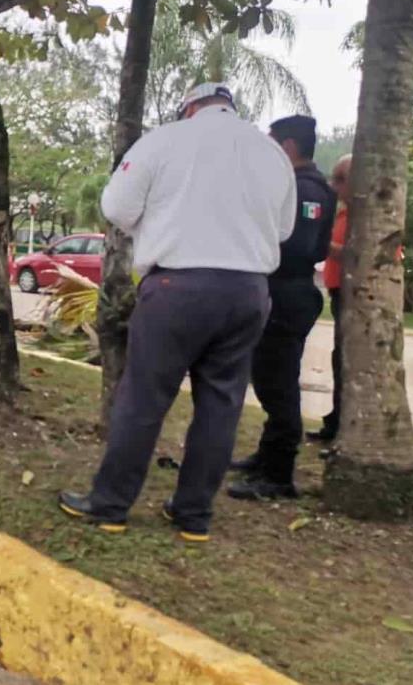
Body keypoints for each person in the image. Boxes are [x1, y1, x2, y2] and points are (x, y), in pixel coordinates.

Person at [58, 83, 295, 543]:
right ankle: (193, 516)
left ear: (190, 107)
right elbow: (282, 229)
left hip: (177, 286)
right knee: (221, 404)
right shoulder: (271, 152)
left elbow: (116, 207)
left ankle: (110, 505)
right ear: (229, 107)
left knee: (144, 398)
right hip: (248, 290)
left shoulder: (165, 139)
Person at [228, 116, 337, 500]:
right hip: (283, 291)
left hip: (287, 294)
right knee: (271, 380)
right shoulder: (300, 185)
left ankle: (278, 475)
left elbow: (302, 247)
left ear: (288, 147)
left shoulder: (308, 190)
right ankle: (266, 456)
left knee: (279, 385)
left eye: (272, 143)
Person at [307, 153, 351, 443]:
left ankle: (341, 430)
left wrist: (323, 245)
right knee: (339, 362)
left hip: (352, 297)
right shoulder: (343, 213)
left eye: (341, 179)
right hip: (337, 294)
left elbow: (359, 253)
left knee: (347, 364)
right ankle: (333, 425)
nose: (334, 186)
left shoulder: (370, 219)